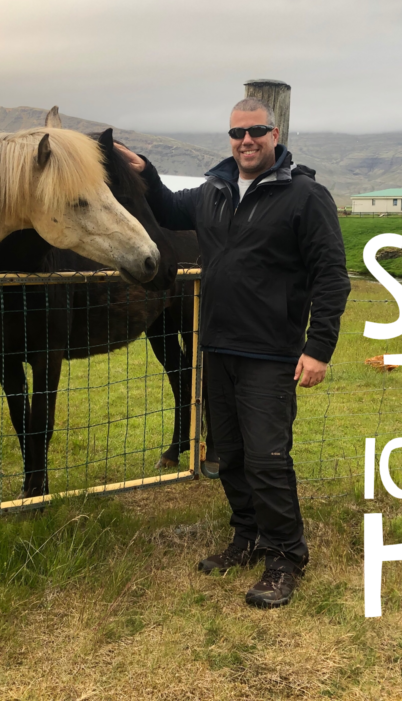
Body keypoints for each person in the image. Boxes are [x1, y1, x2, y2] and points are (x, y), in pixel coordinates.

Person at [115, 98, 350, 608]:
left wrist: (319, 347)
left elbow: (331, 275)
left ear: (275, 133)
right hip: (216, 347)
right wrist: (146, 174)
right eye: (237, 133)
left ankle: (286, 556)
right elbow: (169, 208)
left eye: (257, 131)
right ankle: (247, 537)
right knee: (231, 456)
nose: (247, 141)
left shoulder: (305, 196)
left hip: (270, 353)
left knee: (267, 458)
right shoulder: (214, 191)